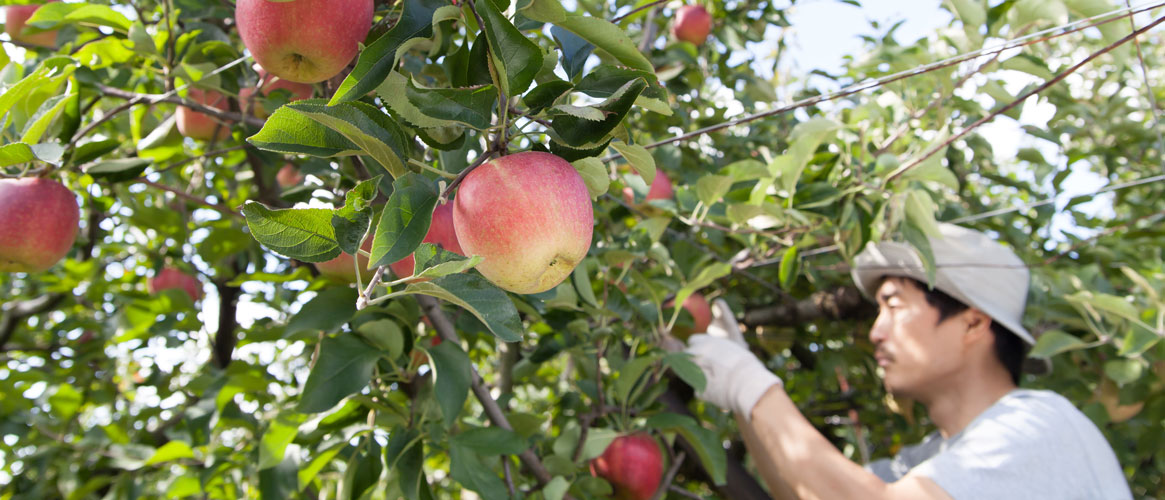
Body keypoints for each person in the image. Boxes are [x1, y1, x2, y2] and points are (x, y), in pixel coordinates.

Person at [685, 223, 1132, 500]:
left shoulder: (1035, 424)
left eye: (894, 305)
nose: (876, 331)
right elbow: (808, 494)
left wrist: (752, 386)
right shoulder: (926, 462)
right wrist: (745, 397)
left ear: (973, 324)